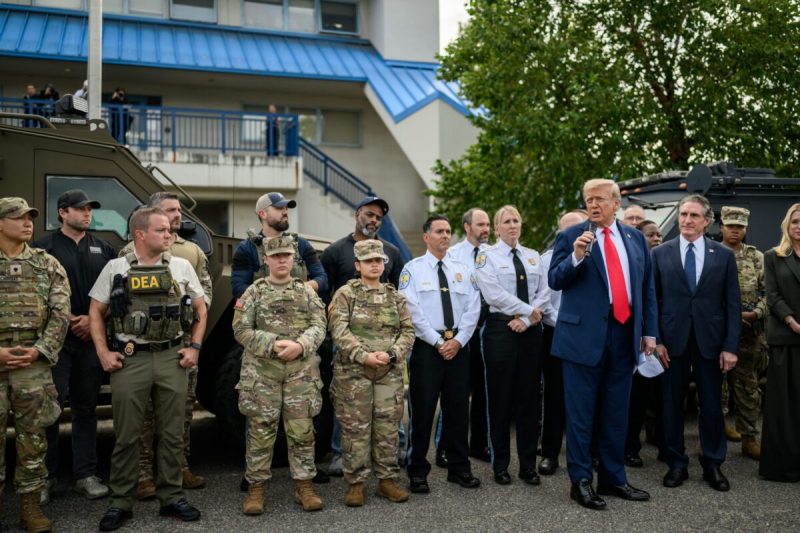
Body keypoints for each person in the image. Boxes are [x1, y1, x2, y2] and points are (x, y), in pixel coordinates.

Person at [89, 207, 207, 531]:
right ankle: (120, 503)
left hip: (172, 357)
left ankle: (171, 498)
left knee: (171, 434)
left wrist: (194, 347)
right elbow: (96, 312)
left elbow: (200, 308)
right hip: (131, 358)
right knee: (127, 435)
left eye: (170, 230)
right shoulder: (116, 268)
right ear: (140, 234)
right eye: (162, 230)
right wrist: (103, 352)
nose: (169, 234)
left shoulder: (182, 266)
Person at [549, 179, 656, 510]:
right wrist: (578, 257)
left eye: (598, 199)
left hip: (624, 335)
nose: (592, 205)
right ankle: (581, 481)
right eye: (587, 200)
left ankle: (613, 478)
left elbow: (646, 288)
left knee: (616, 412)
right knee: (581, 415)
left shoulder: (635, 238)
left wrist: (649, 332)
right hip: (582, 339)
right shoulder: (571, 236)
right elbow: (555, 279)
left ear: (616, 202)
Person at [119, 192, 212, 499]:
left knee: (182, 409)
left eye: (178, 210)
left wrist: (189, 324)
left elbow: (204, 293)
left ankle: (178, 466)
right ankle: (144, 473)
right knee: (144, 413)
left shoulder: (192, 251)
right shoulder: (132, 251)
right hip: (146, 342)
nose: (178, 215)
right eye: (170, 210)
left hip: (182, 340)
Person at [652, 194, 741, 492]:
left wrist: (730, 346)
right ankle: (676, 463)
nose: (687, 220)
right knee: (671, 406)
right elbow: (654, 300)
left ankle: (713, 464)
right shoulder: (660, 254)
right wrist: (657, 341)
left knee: (712, 406)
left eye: (693, 215)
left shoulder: (724, 255)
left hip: (711, 343)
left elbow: (732, 304)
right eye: (683, 214)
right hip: (671, 343)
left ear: (706, 221)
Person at [233, 235, 327, 515]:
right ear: (266, 260)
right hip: (262, 373)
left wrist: (300, 345)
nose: (282, 260)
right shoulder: (253, 292)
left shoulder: (307, 292)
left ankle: (305, 488)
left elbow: (320, 325)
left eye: (287, 255)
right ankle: (256, 491)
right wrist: (273, 344)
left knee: (302, 432)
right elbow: (240, 330)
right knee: (261, 433)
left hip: (301, 372)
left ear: (294, 259)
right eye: (277, 256)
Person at [32, 190, 115, 504]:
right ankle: (45, 478)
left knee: (86, 409)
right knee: (51, 411)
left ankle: (85, 475)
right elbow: (37, 294)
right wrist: (70, 320)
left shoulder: (104, 248)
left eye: (89, 209)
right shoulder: (43, 248)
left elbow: (114, 292)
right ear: (63, 212)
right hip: (57, 343)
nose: (87, 214)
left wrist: (92, 319)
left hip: (92, 341)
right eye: (80, 209)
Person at [320, 195, 405, 476]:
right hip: (349, 344)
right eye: (369, 214)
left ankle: (393, 454)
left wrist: (391, 349)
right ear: (358, 214)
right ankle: (340, 454)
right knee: (346, 402)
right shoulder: (335, 251)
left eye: (379, 218)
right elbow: (325, 290)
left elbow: (399, 292)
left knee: (389, 405)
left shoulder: (391, 251)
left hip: (385, 345)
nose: (373, 221)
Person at [328, 239, 416, 506]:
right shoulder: (346, 294)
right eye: (369, 261)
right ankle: (355, 483)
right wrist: (364, 356)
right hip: (354, 372)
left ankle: (386, 481)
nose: (375, 265)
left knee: (388, 427)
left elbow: (408, 332)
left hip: (388, 371)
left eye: (379, 261)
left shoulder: (395, 296)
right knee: (355, 428)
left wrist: (390, 355)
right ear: (358, 265)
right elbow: (339, 331)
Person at [0, 197, 69, 533]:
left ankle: (29, 508)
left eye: (30, 217)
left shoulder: (47, 264)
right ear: (0, 223)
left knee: (33, 440)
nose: (27, 223)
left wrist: (41, 350)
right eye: (18, 218)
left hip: (33, 366)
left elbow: (61, 314)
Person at [400, 215, 481, 493]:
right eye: (439, 231)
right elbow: (411, 311)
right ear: (426, 237)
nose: (445, 236)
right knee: (422, 412)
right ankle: (418, 471)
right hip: (428, 349)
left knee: (458, 411)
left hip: (459, 347)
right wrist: (438, 342)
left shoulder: (464, 270)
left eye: (448, 231)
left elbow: (473, 308)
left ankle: (459, 468)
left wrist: (458, 341)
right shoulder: (413, 270)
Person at [475, 205, 550, 487]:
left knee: (530, 400)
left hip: (530, 332)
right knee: (500, 398)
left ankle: (528, 466)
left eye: (516, 220)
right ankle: (501, 464)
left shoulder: (533, 257)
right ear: (496, 228)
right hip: (500, 330)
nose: (512, 225)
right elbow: (493, 292)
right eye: (506, 221)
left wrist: (529, 320)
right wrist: (526, 312)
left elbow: (545, 292)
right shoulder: (486, 256)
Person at [436, 207, 492, 466]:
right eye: (480, 224)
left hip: (489, 329)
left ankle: (479, 445)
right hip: (461, 331)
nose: (486, 229)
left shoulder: (492, 254)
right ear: (467, 227)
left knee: (484, 390)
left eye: (488, 224)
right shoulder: (453, 255)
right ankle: (444, 448)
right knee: (455, 394)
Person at [539, 209, 588, 476]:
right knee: (555, 397)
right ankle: (549, 453)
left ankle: (585, 453)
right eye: (566, 230)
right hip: (556, 334)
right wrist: (570, 325)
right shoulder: (547, 259)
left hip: (588, 336)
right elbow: (545, 302)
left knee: (585, 399)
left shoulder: (595, 255)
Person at [719, 206, 767, 460]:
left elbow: (768, 293)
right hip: (718, 330)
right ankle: (714, 433)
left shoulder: (757, 257)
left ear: (745, 229)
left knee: (748, 386)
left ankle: (749, 437)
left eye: (739, 226)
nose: (734, 230)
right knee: (715, 385)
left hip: (749, 334)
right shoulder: (712, 253)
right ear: (721, 227)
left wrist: (756, 313)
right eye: (730, 225)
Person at [759, 203, 800, 482]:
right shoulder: (774, 256)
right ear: (787, 225)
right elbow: (771, 296)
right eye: (795, 221)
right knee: (785, 405)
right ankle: (784, 466)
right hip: (786, 338)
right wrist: (792, 321)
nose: (799, 226)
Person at [623, 218, 665, 468]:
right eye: (651, 235)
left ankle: (658, 442)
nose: (657, 238)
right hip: (634, 339)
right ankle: (629, 447)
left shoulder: (663, 260)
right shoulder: (632, 263)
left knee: (652, 398)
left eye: (659, 234)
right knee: (632, 399)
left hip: (658, 340)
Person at [231, 192, 327, 299]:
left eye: (286, 208)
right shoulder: (247, 249)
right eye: (279, 208)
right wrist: (274, 294)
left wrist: (297, 289)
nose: (285, 212)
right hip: (264, 312)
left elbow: (322, 279)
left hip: (299, 311)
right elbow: (238, 288)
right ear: (263, 214)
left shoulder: (301, 245)